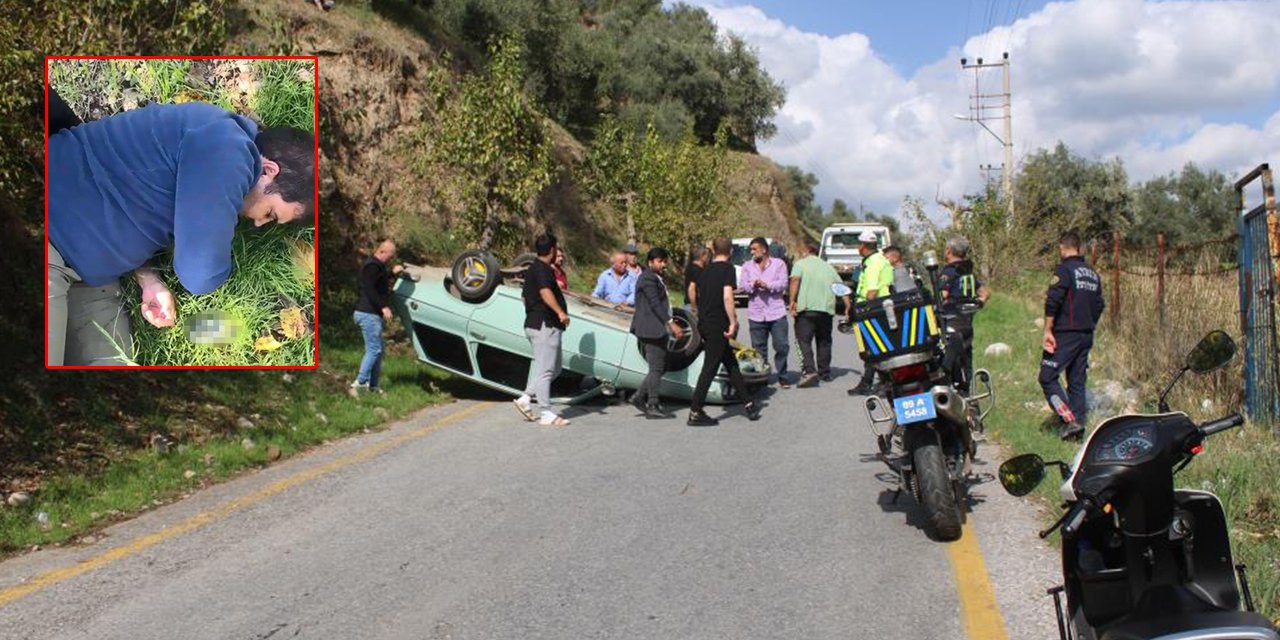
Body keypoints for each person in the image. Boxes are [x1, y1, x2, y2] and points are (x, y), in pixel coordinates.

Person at [47, 100, 314, 366]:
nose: (258, 224)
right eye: (270, 214)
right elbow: (200, 274)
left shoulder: (213, 147)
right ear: (268, 170)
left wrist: (149, 279)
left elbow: (131, 206)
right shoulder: (227, 148)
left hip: (89, 278)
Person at [688, 237, 760, 426]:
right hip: (718, 324)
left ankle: (749, 404)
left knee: (731, 364)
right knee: (709, 368)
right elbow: (728, 298)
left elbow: (693, 292)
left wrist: (697, 311)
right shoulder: (727, 269)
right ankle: (695, 412)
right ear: (731, 252)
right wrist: (733, 322)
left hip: (705, 322)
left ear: (713, 249)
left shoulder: (705, 270)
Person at [1040, 231, 1104, 440]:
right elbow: (1099, 305)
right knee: (1076, 381)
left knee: (1047, 377)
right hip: (1086, 334)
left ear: (1062, 247)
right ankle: (1077, 432)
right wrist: (1088, 324)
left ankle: (1070, 420)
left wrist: (1048, 329)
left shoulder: (1065, 270)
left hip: (1065, 333)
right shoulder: (1092, 274)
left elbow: (1053, 300)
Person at [514, 233, 572, 427]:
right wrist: (560, 313)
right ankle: (546, 412)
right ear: (552, 250)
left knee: (553, 369)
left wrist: (532, 311)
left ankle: (525, 398)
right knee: (546, 370)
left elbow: (524, 298)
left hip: (536, 323)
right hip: (544, 325)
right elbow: (545, 293)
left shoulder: (532, 269)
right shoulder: (543, 270)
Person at [629, 247, 685, 419]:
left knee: (661, 367)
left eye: (664, 261)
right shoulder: (647, 278)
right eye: (660, 261)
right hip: (651, 329)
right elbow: (655, 303)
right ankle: (652, 404)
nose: (663, 265)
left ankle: (639, 397)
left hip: (655, 329)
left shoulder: (655, 278)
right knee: (656, 368)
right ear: (650, 262)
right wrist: (671, 323)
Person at [936, 237, 991, 394]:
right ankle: (969, 397)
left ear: (949, 251)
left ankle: (948, 382)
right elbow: (985, 293)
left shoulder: (949, 272)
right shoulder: (968, 273)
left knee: (949, 359)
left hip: (950, 322)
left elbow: (943, 295)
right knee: (966, 360)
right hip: (967, 323)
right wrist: (977, 303)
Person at [788, 238, 841, 388]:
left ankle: (809, 371)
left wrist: (792, 300)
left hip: (806, 310)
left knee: (803, 341)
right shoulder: (828, 267)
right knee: (824, 341)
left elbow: (795, 281)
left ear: (806, 250)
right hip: (826, 310)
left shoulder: (800, 264)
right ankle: (825, 373)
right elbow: (839, 287)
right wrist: (848, 305)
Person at [738, 236, 790, 387]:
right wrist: (753, 285)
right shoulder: (747, 266)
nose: (752, 252)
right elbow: (743, 286)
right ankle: (761, 377)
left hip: (776, 312)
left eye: (754, 249)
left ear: (764, 249)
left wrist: (767, 285)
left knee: (781, 345)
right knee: (758, 349)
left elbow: (782, 284)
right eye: (751, 250)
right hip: (756, 313)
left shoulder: (779, 264)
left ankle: (783, 375)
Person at [352, 240, 402, 394]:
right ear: (382, 251)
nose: (390, 259)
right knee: (374, 349)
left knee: (378, 351)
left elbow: (379, 281)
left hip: (372, 314)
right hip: (368, 313)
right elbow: (370, 289)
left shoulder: (376, 267)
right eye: (389, 256)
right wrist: (383, 306)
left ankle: (373, 386)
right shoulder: (371, 266)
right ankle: (360, 382)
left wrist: (392, 273)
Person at [847, 231, 894, 395]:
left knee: (870, 349)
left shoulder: (873, 263)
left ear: (863, 246)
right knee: (876, 348)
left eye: (858, 244)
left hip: (872, 309)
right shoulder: (879, 259)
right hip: (881, 308)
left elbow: (872, 291)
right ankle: (881, 382)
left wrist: (864, 310)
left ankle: (874, 383)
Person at [684, 244, 709, 309]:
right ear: (702, 256)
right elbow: (691, 289)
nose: (707, 257)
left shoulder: (690, 267)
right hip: (693, 306)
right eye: (706, 255)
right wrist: (694, 307)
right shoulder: (696, 270)